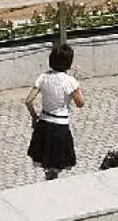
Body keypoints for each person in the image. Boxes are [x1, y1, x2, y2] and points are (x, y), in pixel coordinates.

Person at [27, 44, 84, 180]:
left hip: (44, 123)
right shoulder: (70, 81)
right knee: (57, 165)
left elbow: (28, 101)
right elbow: (80, 103)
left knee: (46, 164)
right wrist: (77, 85)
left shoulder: (43, 77)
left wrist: (34, 117)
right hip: (60, 126)